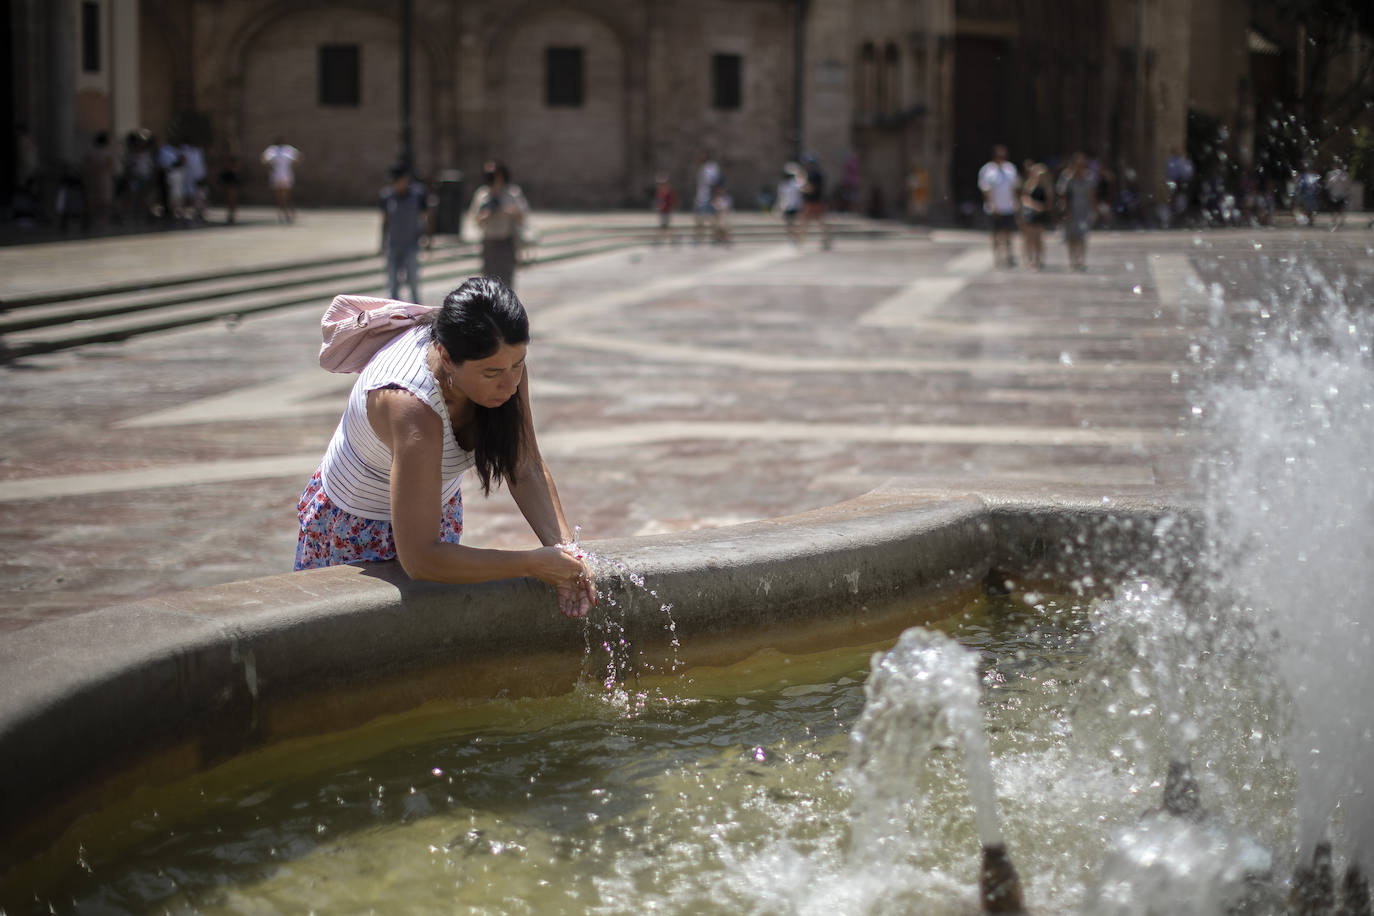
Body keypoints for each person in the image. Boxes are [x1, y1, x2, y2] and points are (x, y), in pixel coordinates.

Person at [295, 276, 597, 619]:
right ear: (446, 357)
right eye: (492, 373)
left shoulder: (501, 362)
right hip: (355, 529)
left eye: (518, 365)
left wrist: (564, 551)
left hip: (432, 510)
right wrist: (530, 564)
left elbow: (524, 465)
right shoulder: (410, 405)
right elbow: (421, 559)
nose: (509, 383)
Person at [468, 160, 529, 289]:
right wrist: (484, 215)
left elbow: (523, 216)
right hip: (489, 242)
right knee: (488, 283)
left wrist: (510, 211)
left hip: (506, 242)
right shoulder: (482, 194)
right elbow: (474, 218)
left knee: (507, 283)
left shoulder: (512, 193)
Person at [379, 164, 430, 303]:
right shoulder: (387, 196)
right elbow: (385, 221)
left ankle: (417, 310)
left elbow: (425, 218)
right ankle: (393, 312)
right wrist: (381, 243)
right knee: (393, 282)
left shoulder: (418, 195)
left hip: (411, 245)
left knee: (413, 281)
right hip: (393, 245)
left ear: (405, 179)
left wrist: (427, 238)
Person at [978, 144, 1019, 268]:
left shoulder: (1010, 169)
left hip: (1008, 206)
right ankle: (997, 258)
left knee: (1008, 233)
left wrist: (1015, 202)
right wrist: (992, 205)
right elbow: (986, 189)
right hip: (994, 208)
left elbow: (1014, 187)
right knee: (995, 234)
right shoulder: (987, 170)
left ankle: (1009, 256)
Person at [1060, 153, 1096, 271]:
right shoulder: (1067, 178)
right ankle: (1072, 260)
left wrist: (1093, 210)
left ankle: (1081, 260)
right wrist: (1065, 211)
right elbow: (1063, 195)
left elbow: (1091, 195)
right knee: (1071, 237)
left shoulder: (1088, 178)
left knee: (1082, 236)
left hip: (1083, 210)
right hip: (1071, 210)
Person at [1018, 163, 1053, 270]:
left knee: (1039, 238)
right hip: (1030, 214)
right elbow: (1024, 199)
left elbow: (1049, 202)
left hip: (1041, 215)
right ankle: (1029, 258)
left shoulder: (1046, 187)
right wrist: (1034, 206)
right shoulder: (1029, 185)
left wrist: (1042, 208)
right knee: (1029, 238)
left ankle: (1038, 259)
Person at [261, 137, 301, 223]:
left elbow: (298, 157)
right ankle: (283, 214)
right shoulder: (272, 150)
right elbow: (264, 159)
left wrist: (291, 166)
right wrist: (271, 167)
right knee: (279, 196)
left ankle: (288, 212)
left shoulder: (287, 149)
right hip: (276, 175)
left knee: (285, 195)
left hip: (285, 175)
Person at [797, 153, 831, 249]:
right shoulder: (815, 174)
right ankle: (825, 240)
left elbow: (811, 188)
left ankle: (800, 240)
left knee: (806, 221)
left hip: (814, 201)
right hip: (814, 200)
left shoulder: (814, 175)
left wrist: (802, 187)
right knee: (817, 221)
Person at [692, 153, 720, 244]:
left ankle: (715, 237)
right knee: (699, 218)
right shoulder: (704, 168)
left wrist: (714, 197)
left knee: (712, 218)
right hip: (702, 196)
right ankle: (699, 237)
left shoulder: (710, 168)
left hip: (707, 197)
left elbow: (713, 182)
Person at [777, 162, 804, 243]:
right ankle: (792, 238)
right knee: (789, 224)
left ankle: (795, 238)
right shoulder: (784, 185)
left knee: (795, 224)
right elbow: (781, 197)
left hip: (795, 206)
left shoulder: (795, 183)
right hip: (788, 206)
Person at [1325, 159, 1352, 229]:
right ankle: (1334, 220)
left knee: (1341, 208)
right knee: (1333, 208)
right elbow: (1328, 185)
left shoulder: (1345, 174)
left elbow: (1347, 185)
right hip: (1333, 194)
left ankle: (1340, 220)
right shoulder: (1330, 174)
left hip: (1341, 194)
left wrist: (1347, 193)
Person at [653, 173, 677, 244]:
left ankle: (671, 238)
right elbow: (659, 201)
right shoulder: (660, 192)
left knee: (665, 226)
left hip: (666, 211)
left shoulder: (668, 193)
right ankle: (664, 238)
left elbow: (671, 201)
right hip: (662, 211)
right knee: (663, 225)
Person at [218, 152, 242, 224]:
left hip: (231, 179)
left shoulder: (233, 156)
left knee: (232, 199)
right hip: (228, 178)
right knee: (229, 199)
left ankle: (232, 216)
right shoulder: (224, 157)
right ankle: (230, 216)